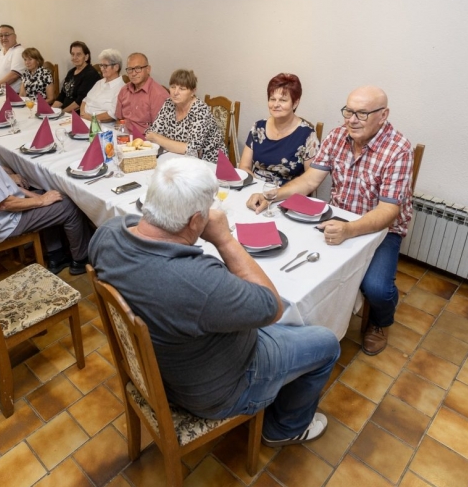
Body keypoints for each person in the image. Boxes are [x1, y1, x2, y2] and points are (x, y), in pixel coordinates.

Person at [90, 156, 338, 447]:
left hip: (161, 367)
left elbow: (141, 227)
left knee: (285, 317)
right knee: (326, 342)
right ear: (197, 220)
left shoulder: (107, 234)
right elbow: (271, 307)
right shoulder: (198, 281)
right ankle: (285, 428)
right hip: (216, 391)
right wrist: (224, 239)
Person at [246, 86, 413, 356]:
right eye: (348, 111)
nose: (352, 120)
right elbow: (310, 180)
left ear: (383, 115)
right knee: (305, 268)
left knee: (377, 289)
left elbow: (388, 211)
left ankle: (381, 321)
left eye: (362, 113)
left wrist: (350, 230)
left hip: (381, 229)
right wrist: (271, 195)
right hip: (337, 218)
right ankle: (319, 321)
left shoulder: (399, 149)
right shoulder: (337, 136)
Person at [0, 93, 91, 274]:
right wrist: (41, 200)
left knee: (46, 191)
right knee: (68, 205)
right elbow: (4, 204)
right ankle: (81, 261)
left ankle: (56, 256)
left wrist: (38, 196)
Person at [239, 73, 319, 186]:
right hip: (255, 188)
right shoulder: (258, 127)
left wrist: (276, 193)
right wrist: (258, 189)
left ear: (295, 103)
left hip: (287, 193)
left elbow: (310, 181)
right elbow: (244, 166)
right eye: (272, 99)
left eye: (283, 100)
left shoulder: (307, 134)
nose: (276, 104)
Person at [146, 69, 224, 163]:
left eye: (182, 89)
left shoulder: (200, 110)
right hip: (177, 158)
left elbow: (191, 149)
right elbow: (151, 134)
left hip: (209, 162)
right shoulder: (169, 103)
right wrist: (159, 139)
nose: (175, 92)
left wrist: (158, 139)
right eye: (173, 87)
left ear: (193, 92)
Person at [113, 52, 169, 135]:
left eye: (138, 68)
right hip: (124, 137)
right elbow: (119, 120)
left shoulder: (158, 94)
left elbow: (160, 131)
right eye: (130, 69)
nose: (133, 73)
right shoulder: (124, 90)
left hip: (145, 140)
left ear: (148, 69)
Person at [53, 40, 101, 112]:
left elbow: (80, 102)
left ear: (86, 57)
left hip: (78, 113)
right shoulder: (71, 72)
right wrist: (51, 110)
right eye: (72, 54)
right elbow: (62, 95)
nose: (74, 57)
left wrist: (62, 113)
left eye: (78, 54)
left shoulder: (91, 74)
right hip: (65, 111)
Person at [79, 49, 125, 122]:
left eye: (105, 66)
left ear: (116, 67)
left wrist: (91, 118)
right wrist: (82, 114)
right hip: (84, 120)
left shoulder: (121, 88)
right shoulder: (99, 82)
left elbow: (112, 115)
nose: (102, 69)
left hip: (101, 124)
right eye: (101, 65)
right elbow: (85, 100)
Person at [0, 25, 25, 92]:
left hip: (9, 94)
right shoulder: (1, 52)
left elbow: (14, 75)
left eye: (6, 35)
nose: (3, 38)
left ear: (15, 36)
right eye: (1, 36)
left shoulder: (19, 51)